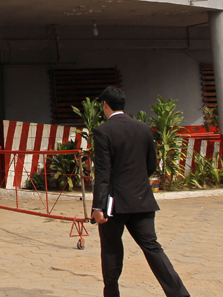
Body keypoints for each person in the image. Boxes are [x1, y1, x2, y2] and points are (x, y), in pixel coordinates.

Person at [92, 86, 190, 297]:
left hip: (113, 203)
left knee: (111, 250)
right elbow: (151, 165)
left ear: (105, 105)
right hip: (141, 199)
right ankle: (179, 293)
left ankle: (112, 294)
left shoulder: (103, 131)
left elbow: (102, 172)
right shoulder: (143, 128)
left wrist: (98, 206)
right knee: (152, 248)